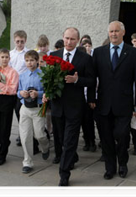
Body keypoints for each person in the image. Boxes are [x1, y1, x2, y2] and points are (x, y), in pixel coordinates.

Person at [90, 21, 136, 181]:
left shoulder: (134, 53)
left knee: (122, 135)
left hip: (124, 103)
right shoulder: (99, 53)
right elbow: (93, 78)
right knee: (106, 138)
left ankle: (122, 163)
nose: (113, 34)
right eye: (111, 31)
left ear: (123, 32)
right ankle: (110, 167)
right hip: (103, 103)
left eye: (116, 31)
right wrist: (91, 98)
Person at [44, 27, 95, 190]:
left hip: (75, 107)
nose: (69, 42)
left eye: (72, 39)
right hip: (57, 107)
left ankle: (64, 175)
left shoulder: (85, 58)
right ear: (63, 38)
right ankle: (71, 158)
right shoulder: (54, 56)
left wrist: (77, 80)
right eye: (66, 38)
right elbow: (48, 79)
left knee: (70, 140)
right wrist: (47, 92)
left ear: (78, 40)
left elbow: (92, 81)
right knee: (60, 140)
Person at [17, 50, 50, 173]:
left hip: (38, 108)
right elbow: (18, 91)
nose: (29, 63)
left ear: (37, 61)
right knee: (25, 137)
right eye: (27, 60)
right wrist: (21, 93)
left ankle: (45, 147)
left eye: (32, 60)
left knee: (39, 134)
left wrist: (38, 93)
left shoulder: (43, 75)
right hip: (25, 108)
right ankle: (27, 162)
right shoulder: (22, 76)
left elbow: (48, 91)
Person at [0, 48, 19, 166]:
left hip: (8, 100)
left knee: (5, 128)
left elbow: (12, 90)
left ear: (9, 58)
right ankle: (5, 143)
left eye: (6, 57)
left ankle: (1, 155)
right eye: (2, 57)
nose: (4, 59)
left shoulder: (13, 72)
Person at [9, 30, 29, 147]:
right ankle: (22, 134)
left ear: (25, 41)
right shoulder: (11, 54)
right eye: (17, 41)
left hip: (25, 86)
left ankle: (25, 135)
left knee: (23, 112)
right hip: (13, 86)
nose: (20, 44)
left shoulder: (28, 53)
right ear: (14, 41)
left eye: (22, 41)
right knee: (17, 112)